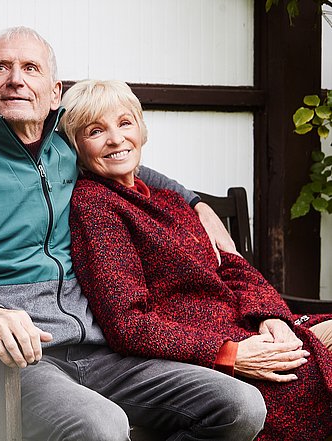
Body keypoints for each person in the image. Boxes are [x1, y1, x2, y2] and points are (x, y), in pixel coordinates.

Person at [0, 27, 267, 440]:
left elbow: (128, 165)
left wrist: (195, 202)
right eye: (0, 68)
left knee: (240, 407)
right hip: (8, 364)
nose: (16, 79)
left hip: (102, 352)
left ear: (54, 92)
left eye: (30, 68)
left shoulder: (65, 150)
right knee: (102, 426)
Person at [62, 79, 332, 441]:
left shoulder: (169, 199)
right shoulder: (95, 205)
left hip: (244, 325)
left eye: (124, 123)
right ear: (76, 147)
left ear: (141, 129)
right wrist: (227, 352)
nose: (115, 139)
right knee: (304, 380)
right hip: (197, 349)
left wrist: (272, 316)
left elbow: (232, 266)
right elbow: (127, 323)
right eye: (96, 131)